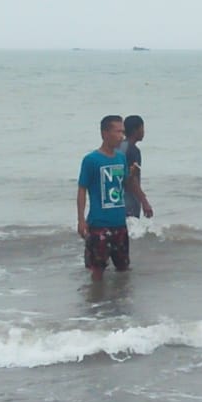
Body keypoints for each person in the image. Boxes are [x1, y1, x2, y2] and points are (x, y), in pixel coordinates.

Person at [76, 115, 131, 281]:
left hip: (120, 223)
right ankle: (96, 303)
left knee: (123, 268)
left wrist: (142, 200)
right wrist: (81, 220)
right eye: (118, 131)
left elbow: (126, 183)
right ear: (105, 133)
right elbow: (81, 190)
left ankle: (120, 303)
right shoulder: (91, 160)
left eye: (123, 131)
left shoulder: (121, 158)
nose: (122, 135)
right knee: (98, 269)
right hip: (99, 224)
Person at [123, 115, 154, 221]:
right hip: (130, 199)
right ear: (135, 130)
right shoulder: (133, 150)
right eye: (142, 128)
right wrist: (144, 202)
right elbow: (133, 178)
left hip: (117, 198)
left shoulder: (120, 146)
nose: (143, 132)